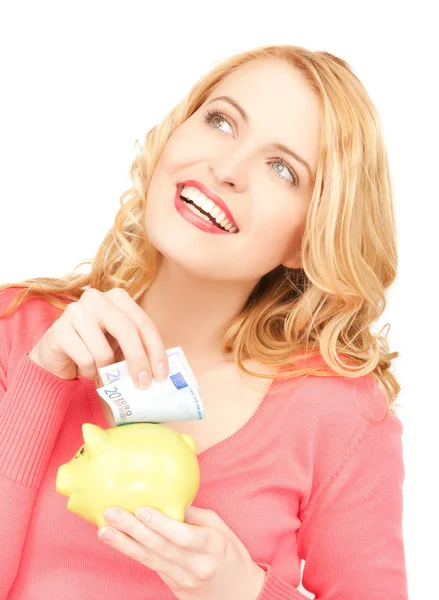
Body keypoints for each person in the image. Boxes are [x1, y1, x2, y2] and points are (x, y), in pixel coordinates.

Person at [0, 44, 408, 599]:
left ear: (310, 236)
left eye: (283, 168)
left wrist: (244, 591)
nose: (227, 169)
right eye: (221, 121)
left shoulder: (338, 413)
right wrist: (41, 380)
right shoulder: (17, 331)